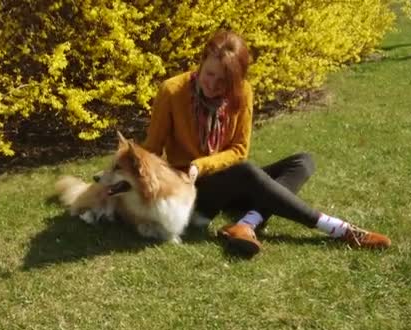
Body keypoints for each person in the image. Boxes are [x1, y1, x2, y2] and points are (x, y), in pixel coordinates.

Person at [141, 30, 391, 258]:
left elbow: (239, 150)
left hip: (229, 179)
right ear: (202, 61)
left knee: (303, 162)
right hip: (192, 188)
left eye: (224, 83)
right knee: (247, 171)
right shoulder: (172, 91)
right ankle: (339, 229)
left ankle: (246, 224)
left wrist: (203, 163)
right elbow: (152, 148)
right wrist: (130, 175)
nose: (214, 86)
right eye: (210, 74)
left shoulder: (243, 92)